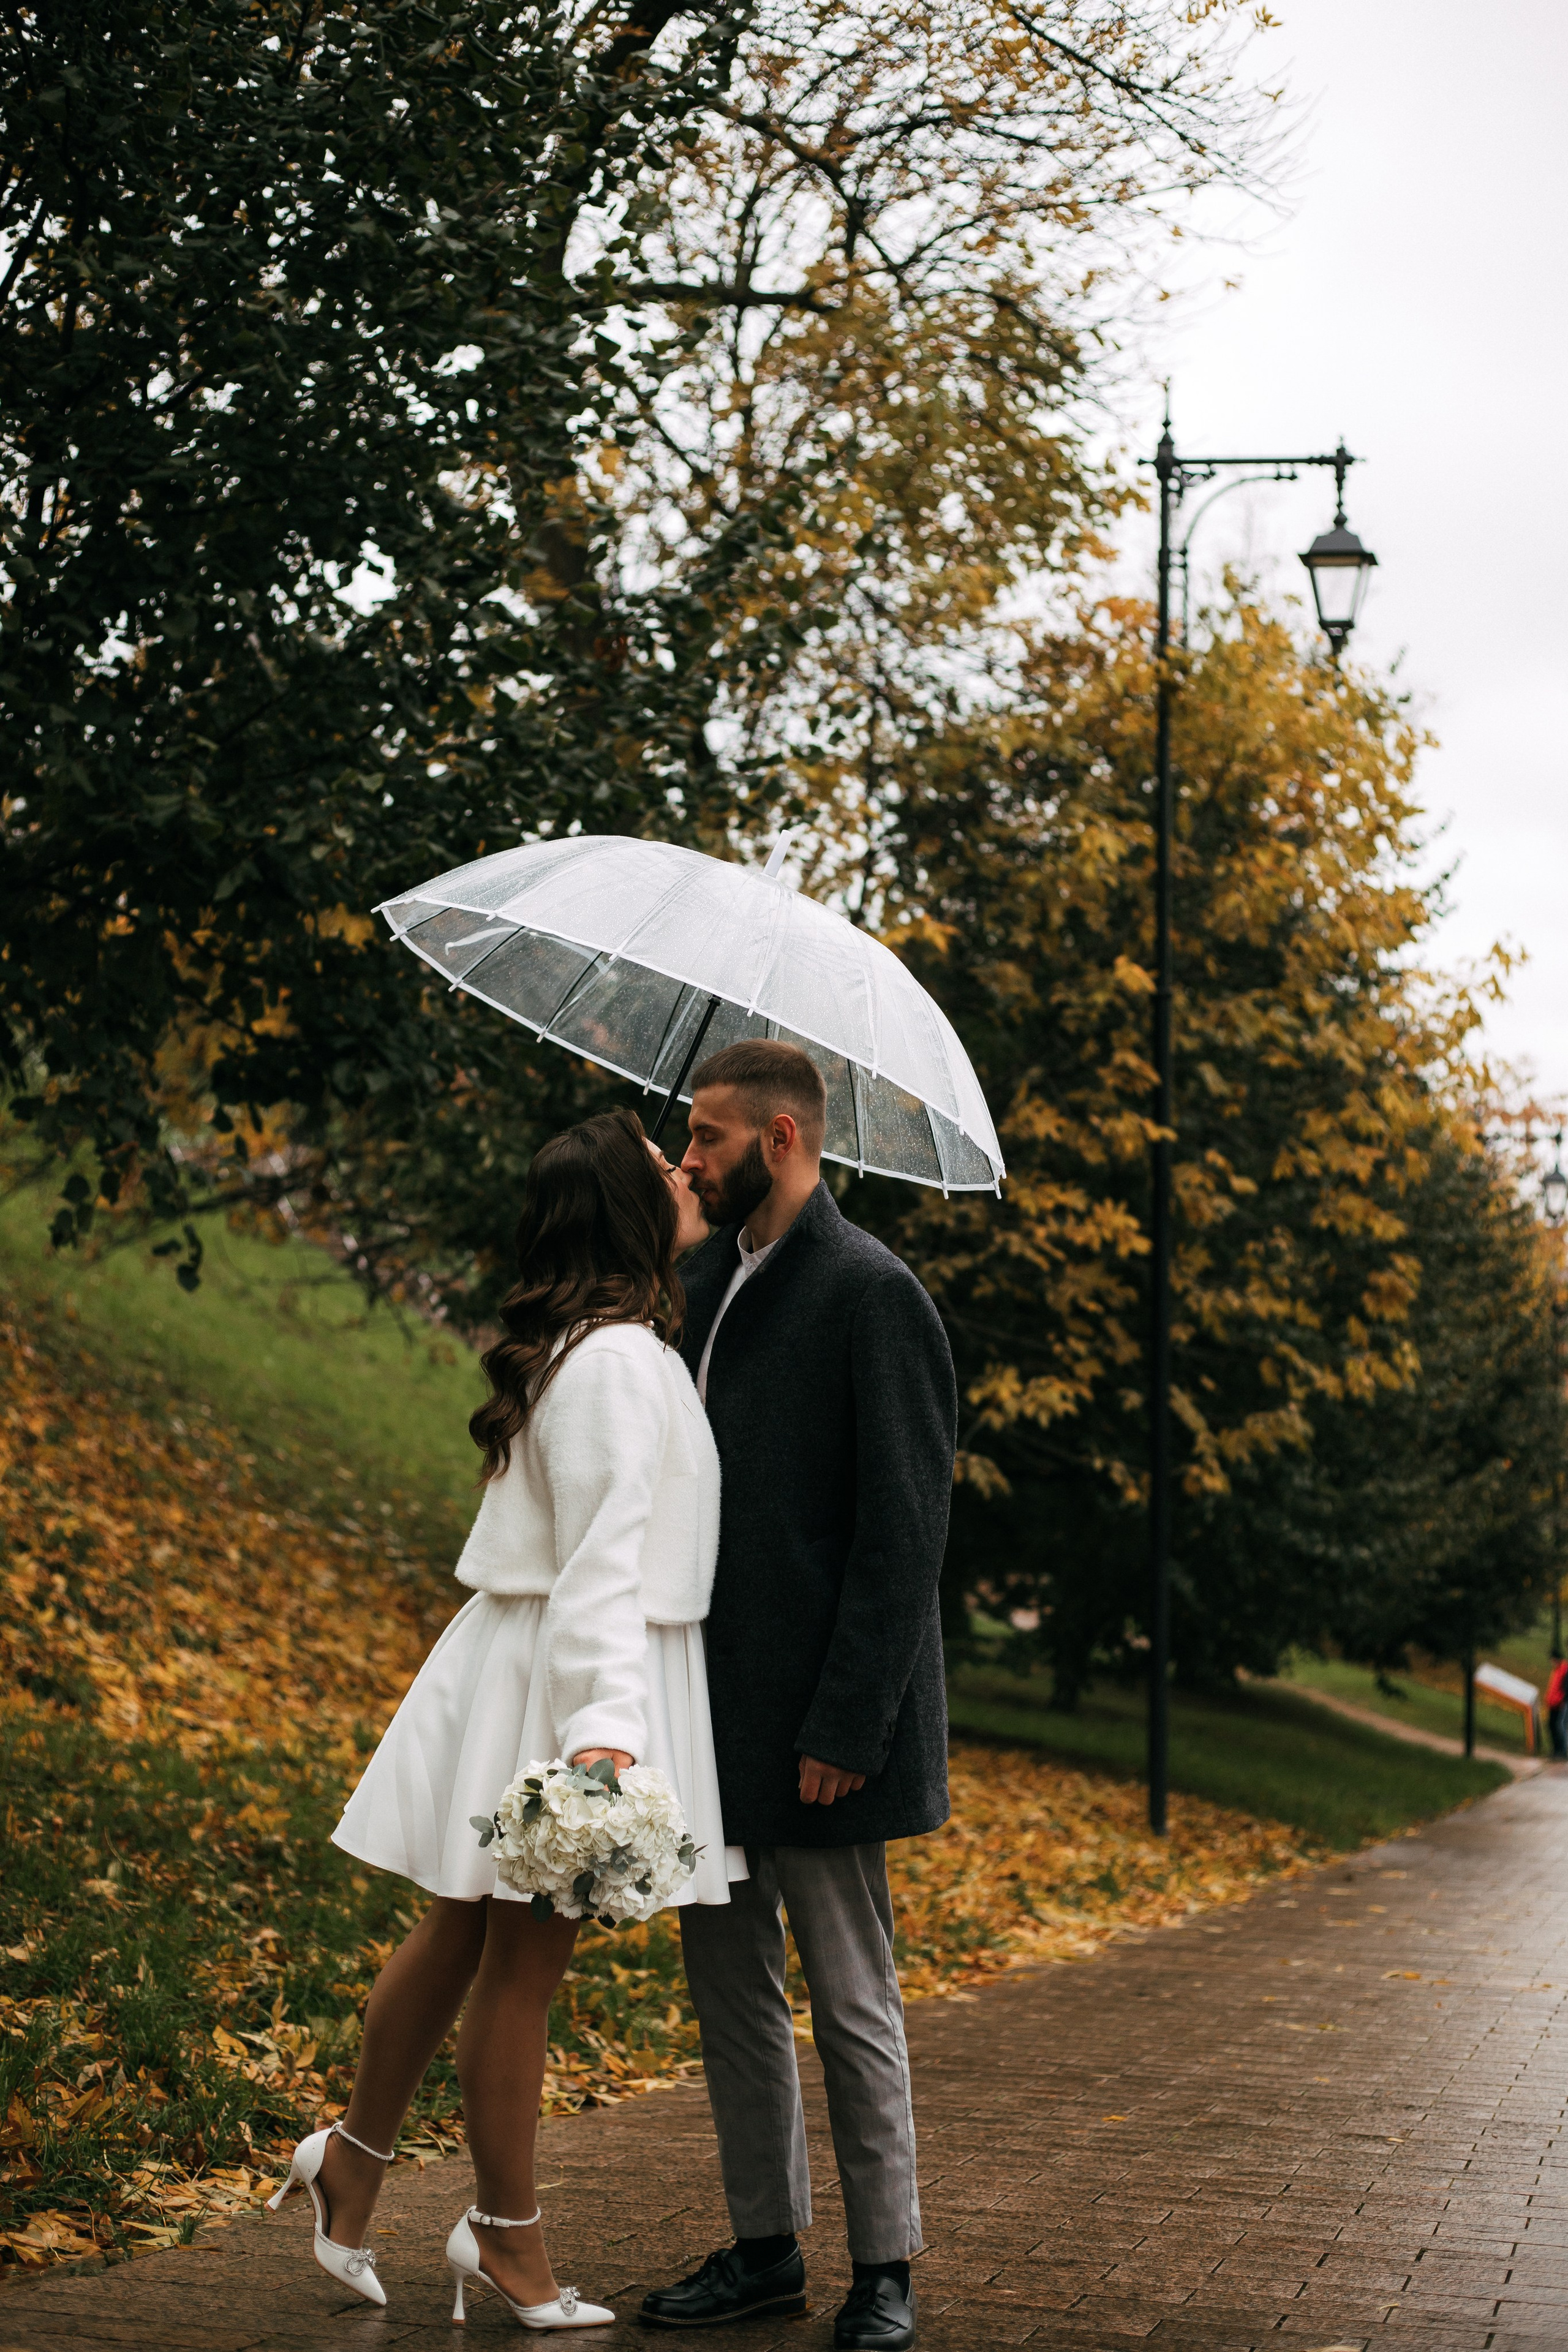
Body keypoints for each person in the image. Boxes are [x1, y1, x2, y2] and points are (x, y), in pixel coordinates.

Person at [267, 1106, 734, 2326]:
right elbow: (601, 1570)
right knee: (517, 1968)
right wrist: (604, 1743)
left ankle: (353, 2164)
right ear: (630, 1214)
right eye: (663, 1168)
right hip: (572, 1679)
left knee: (459, 1934)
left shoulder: (587, 1345)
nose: (687, 1173)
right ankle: (508, 2244)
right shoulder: (623, 1360)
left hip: (532, 1665)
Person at [640, 1040, 957, 2352]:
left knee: (850, 1996)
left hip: (829, 1726)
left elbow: (903, 1533)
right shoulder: (701, 1281)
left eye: (707, 1138)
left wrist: (845, 1726)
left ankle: (883, 2267)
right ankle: (764, 2246)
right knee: (727, 1991)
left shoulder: (870, 1293)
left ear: (781, 1139)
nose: (688, 1157)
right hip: (706, 1712)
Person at [1547, 1650, 1568, 1760]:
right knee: (1552, 1725)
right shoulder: (1557, 1670)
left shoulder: (1564, 1669)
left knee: (1560, 1726)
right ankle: (1557, 1750)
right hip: (1554, 1703)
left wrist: (1560, 1700)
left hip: (1560, 1703)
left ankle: (1562, 1751)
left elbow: (1563, 1688)